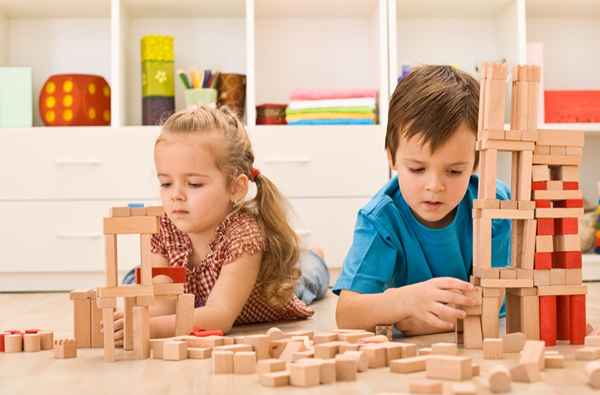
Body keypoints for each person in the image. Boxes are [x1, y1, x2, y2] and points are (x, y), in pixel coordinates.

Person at [115, 105, 329, 343]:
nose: (175, 195)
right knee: (136, 279)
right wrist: (135, 318)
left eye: (194, 184)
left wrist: (152, 328)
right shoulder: (164, 226)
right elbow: (164, 305)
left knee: (305, 278)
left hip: (268, 292)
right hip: (195, 303)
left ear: (235, 188)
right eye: (166, 183)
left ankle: (314, 256)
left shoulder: (244, 234)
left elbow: (220, 316)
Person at [334, 65, 511, 337]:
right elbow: (347, 313)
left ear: (476, 163)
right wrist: (404, 302)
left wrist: (423, 319)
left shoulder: (495, 207)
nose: (434, 186)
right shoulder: (380, 219)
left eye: (454, 171)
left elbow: (491, 303)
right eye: (417, 169)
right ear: (392, 158)